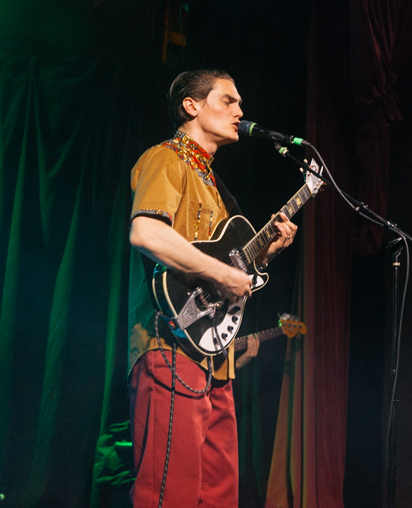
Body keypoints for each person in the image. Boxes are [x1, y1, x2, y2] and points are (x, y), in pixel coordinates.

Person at [126, 69, 296, 507]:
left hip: (216, 362)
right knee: (170, 495)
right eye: (228, 101)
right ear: (192, 106)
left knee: (218, 496)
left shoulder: (215, 188)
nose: (240, 112)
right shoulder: (167, 159)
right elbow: (146, 232)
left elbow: (229, 267)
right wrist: (222, 275)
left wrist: (267, 253)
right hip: (170, 345)